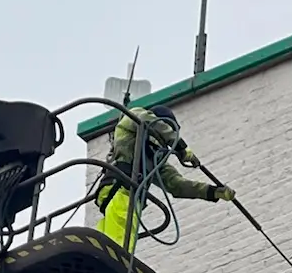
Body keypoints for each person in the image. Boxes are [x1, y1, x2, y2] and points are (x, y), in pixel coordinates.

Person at [95, 104, 234, 252]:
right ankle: (115, 260)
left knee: (109, 238)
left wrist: (212, 192)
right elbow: (145, 119)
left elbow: (176, 184)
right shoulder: (133, 122)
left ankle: (100, 255)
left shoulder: (156, 158)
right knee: (120, 241)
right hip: (121, 188)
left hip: (129, 195)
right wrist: (180, 145)